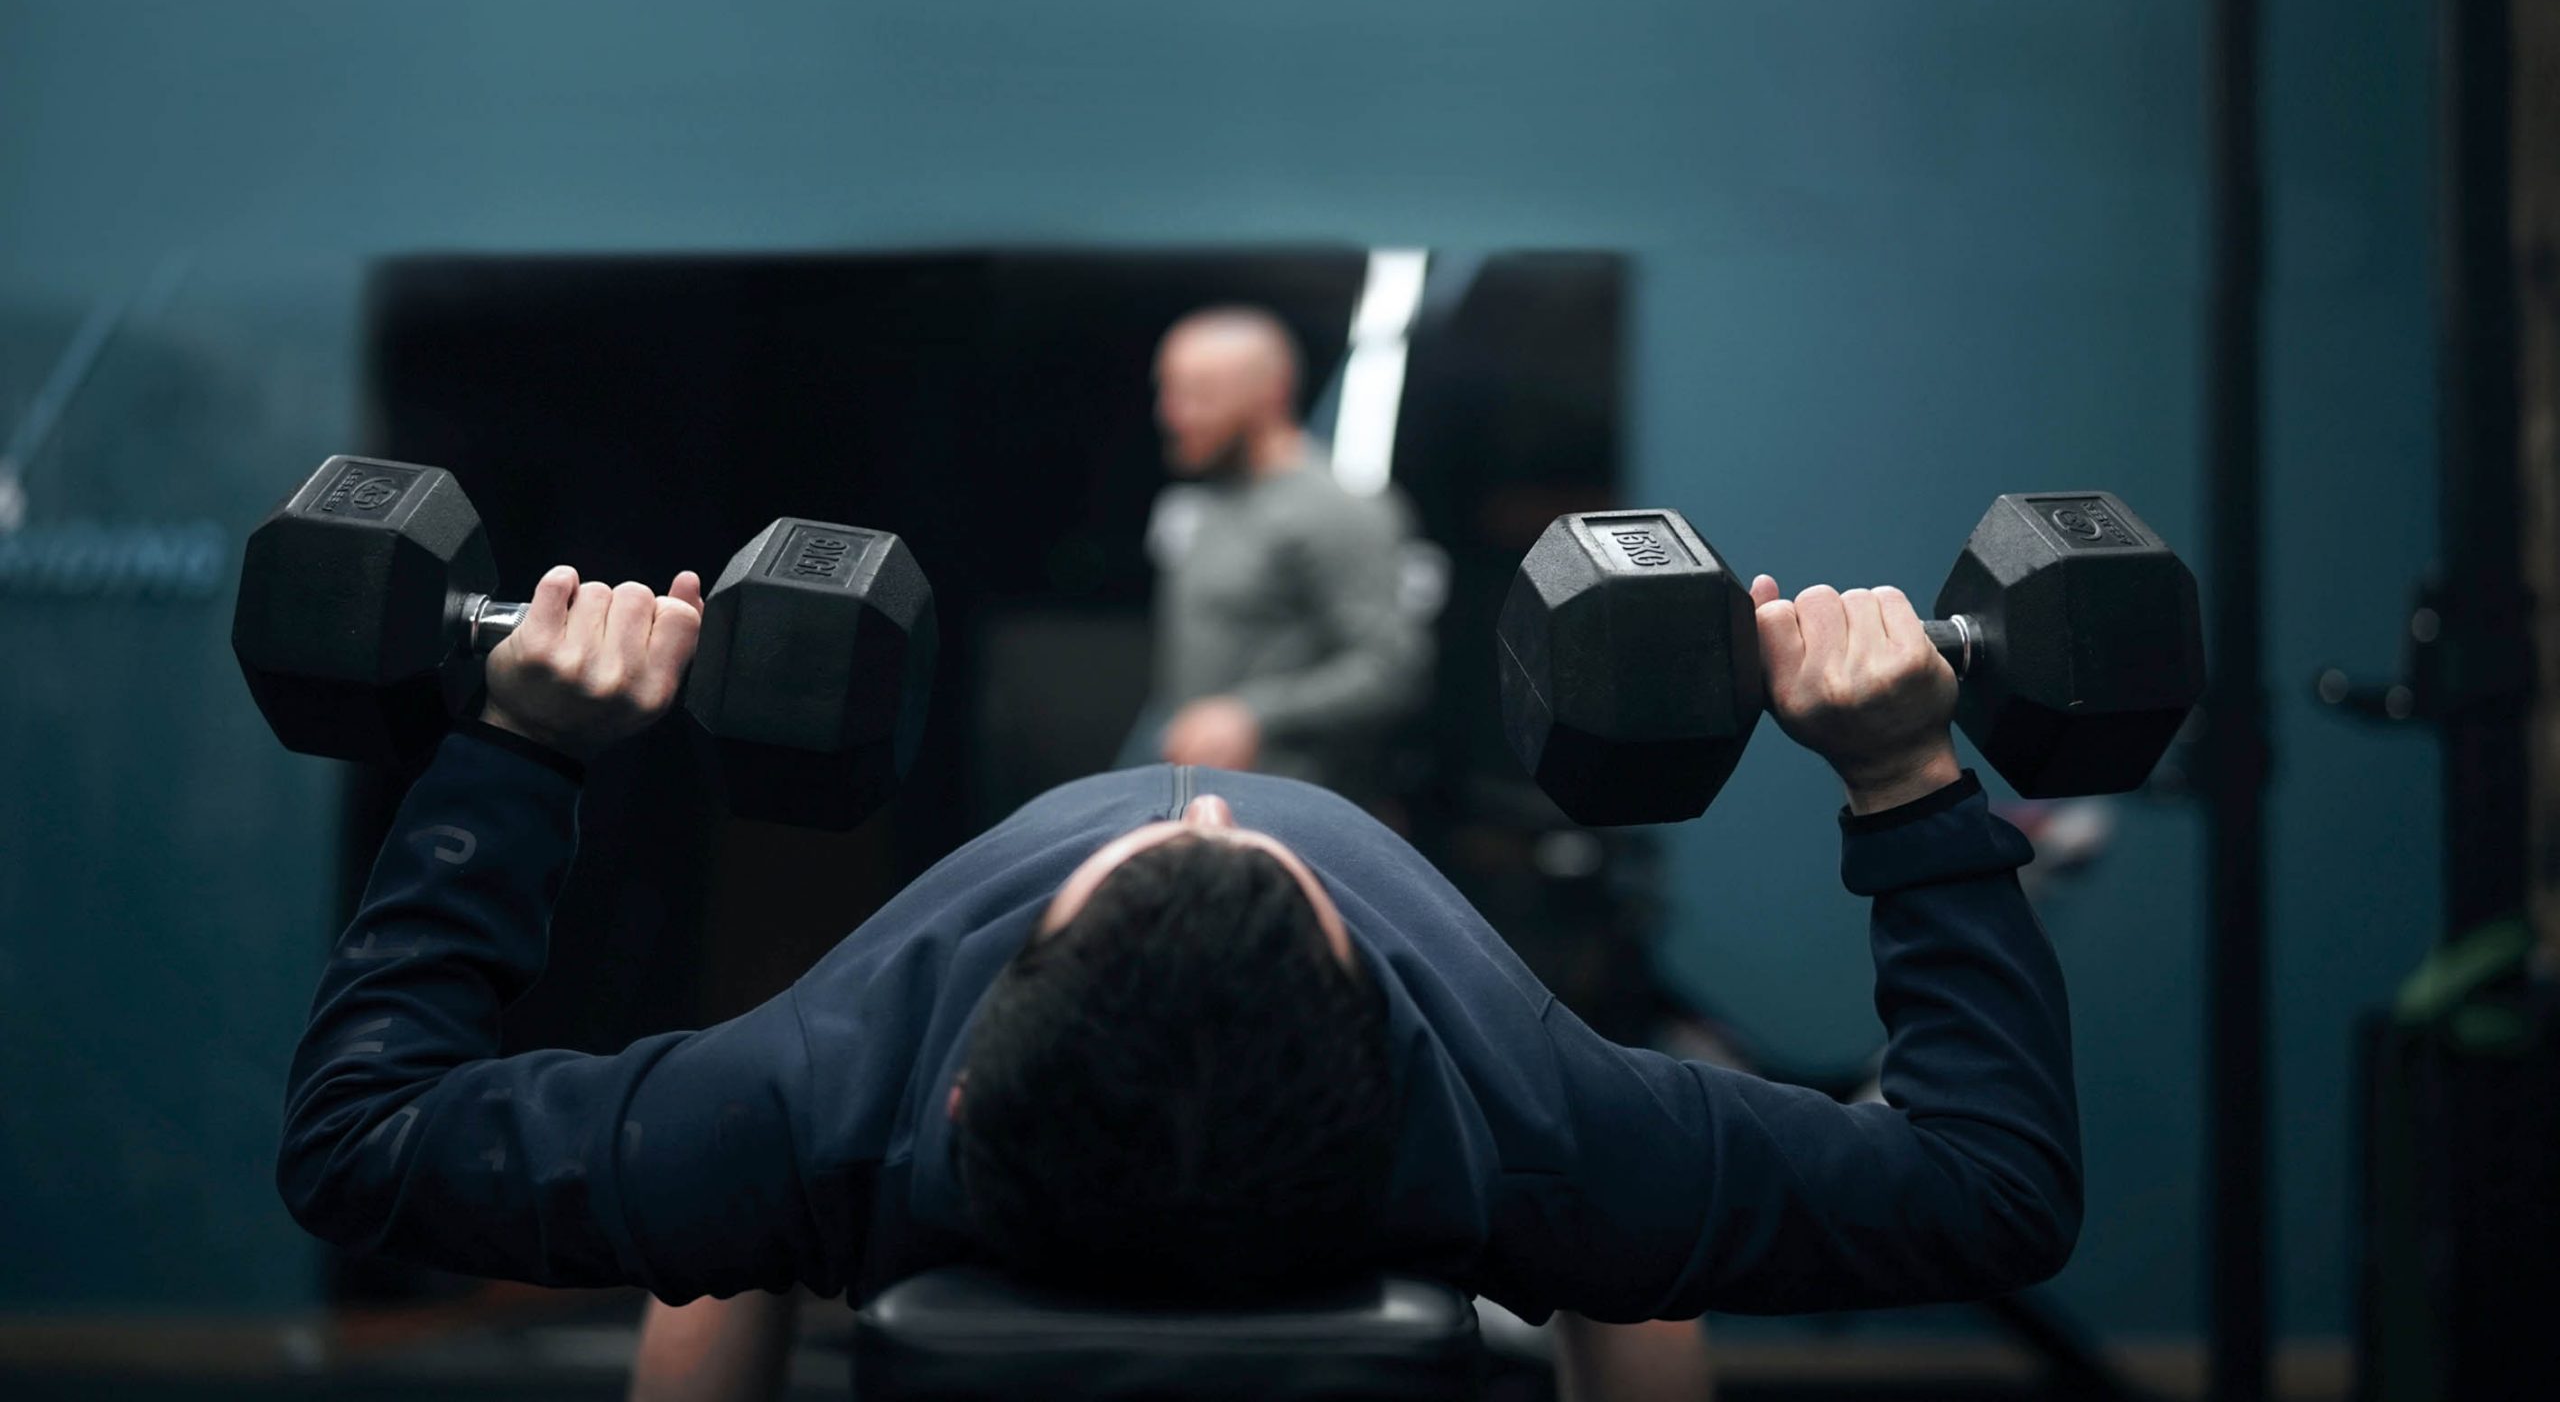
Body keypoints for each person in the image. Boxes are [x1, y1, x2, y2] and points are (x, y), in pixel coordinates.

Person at [277, 564, 2078, 1401]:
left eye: (1145, 863)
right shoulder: (1536, 1121)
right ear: (1389, 1058)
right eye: (1263, 866)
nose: (1200, 806)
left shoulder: (823, 1095)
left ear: (967, 1076)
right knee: (1629, 1225)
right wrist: (1903, 775)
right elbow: (1996, 1186)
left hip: (815, 1158)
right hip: (1558, 1178)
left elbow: (355, 1141)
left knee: (735, 1201)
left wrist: (520, 748)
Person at [1128, 306, 1430, 794]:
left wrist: (1254, 714)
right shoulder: (1210, 498)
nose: (1172, 414)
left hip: (1290, 803)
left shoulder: (1335, 510)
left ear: (1271, 393)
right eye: (1168, 391)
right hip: (1196, 793)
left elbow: (1392, 669)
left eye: (1200, 394)